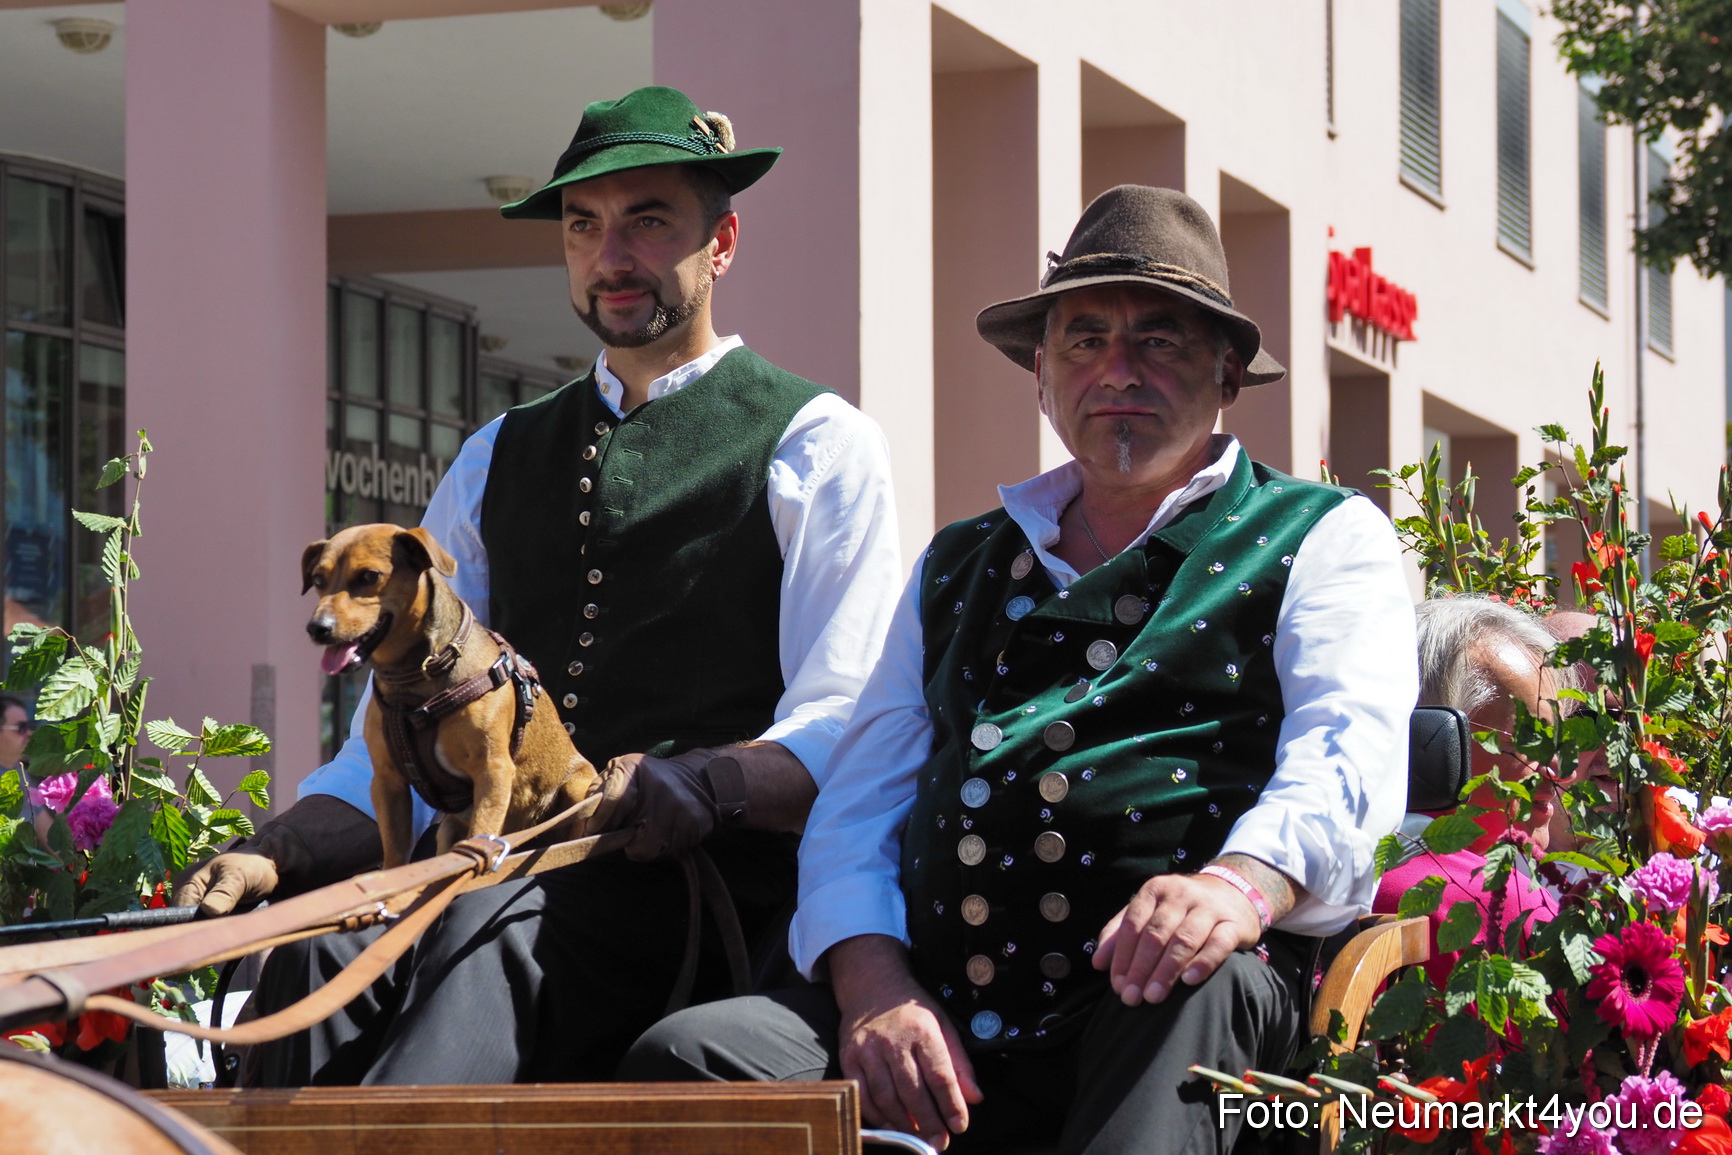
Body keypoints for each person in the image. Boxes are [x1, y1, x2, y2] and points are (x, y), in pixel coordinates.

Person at [622, 186, 1417, 1155]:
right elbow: (858, 808)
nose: (1117, 369)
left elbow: (1348, 755)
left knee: (1190, 989)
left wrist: (1236, 887)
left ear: (1227, 372)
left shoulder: (1325, 537)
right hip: (944, 1017)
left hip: (1165, 1008)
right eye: (1084, 340)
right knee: (690, 1062)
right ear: (1041, 373)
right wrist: (874, 986)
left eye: (1158, 340)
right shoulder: (956, 562)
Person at [171, 85, 904, 1085]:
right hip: (492, 872)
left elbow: (846, 717)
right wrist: (282, 848)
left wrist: (706, 782)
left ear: (721, 243)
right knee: (314, 957)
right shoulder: (496, 454)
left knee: (486, 935)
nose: (611, 256)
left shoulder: (818, 442)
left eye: (648, 222)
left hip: (695, 896)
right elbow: (401, 718)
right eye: (583, 226)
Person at [1377, 596, 1560, 987]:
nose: (1557, 769)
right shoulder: (1504, 903)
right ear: (1433, 737)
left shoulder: (1316, 869)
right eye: (1530, 739)